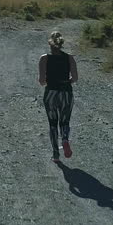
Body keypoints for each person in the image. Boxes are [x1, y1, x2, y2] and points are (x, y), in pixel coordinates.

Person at [38, 30, 78, 162]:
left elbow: (42, 81)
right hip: (66, 92)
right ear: (61, 44)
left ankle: (56, 154)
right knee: (65, 121)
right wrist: (67, 82)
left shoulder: (44, 58)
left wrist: (50, 81)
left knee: (53, 123)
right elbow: (75, 78)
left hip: (51, 93)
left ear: (50, 44)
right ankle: (65, 139)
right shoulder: (69, 58)